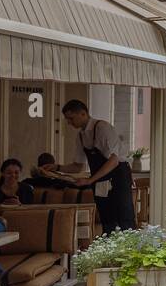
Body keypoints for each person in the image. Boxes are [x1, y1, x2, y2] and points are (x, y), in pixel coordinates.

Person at [49, 100, 137, 234]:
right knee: (107, 218)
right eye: (67, 119)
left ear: (83, 114)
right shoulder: (81, 136)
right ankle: (110, 250)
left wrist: (90, 180)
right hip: (100, 181)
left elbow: (113, 160)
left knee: (124, 217)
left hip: (118, 177)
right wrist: (56, 167)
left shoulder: (102, 127)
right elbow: (78, 166)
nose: (69, 122)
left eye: (71, 118)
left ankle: (132, 251)